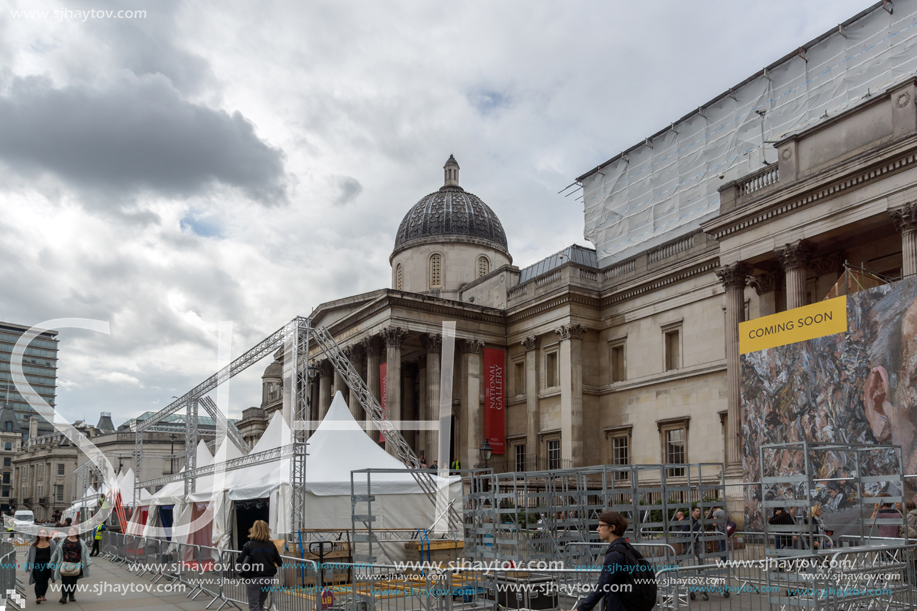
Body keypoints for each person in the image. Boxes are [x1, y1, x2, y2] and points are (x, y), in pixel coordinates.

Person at [573, 511, 630, 611]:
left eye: (601, 525)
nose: (597, 529)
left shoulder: (614, 554)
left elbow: (602, 585)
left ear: (612, 528)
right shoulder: (627, 548)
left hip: (617, 605)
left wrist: (582, 608)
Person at [237, 520, 283, 611]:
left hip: (253, 578)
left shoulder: (249, 545)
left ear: (253, 530)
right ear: (267, 531)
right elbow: (280, 562)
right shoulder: (271, 545)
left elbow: (239, 561)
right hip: (268, 578)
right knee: (261, 603)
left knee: (254, 605)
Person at [50, 527, 90, 604]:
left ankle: (71, 596)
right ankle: (64, 597)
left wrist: (87, 562)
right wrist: (52, 562)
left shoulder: (81, 542)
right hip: (65, 563)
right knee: (65, 581)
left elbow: (85, 553)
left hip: (77, 564)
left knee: (73, 581)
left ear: (76, 532)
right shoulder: (63, 541)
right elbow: (56, 552)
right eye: (70, 531)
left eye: (73, 531)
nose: (71, 532)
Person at [25, 528, 57, 605]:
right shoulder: (34, 544)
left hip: (48, 565)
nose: (42, 535)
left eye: (43, 533)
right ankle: (38, 597)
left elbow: (56, 554)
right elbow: (30, 556)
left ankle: (43, 595)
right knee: (38, 580)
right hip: (37, 565)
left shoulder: (52, 543)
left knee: (45, 581)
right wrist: (27, 566)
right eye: (40, 533)